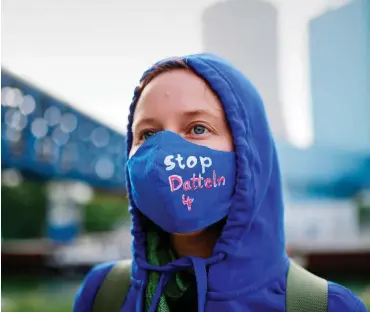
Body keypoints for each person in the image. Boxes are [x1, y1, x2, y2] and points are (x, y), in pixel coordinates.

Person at [73, 54, 367, 312]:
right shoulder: (103, 293)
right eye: (148, 135)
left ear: (248, 152)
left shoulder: (324, 306)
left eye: (198, 128)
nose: (165, 153)